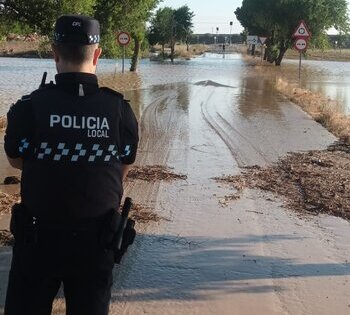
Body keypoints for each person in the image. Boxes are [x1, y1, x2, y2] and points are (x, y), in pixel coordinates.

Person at [4, 15, 139, 315]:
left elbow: (15, 160)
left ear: (55, 53)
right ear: (98, 54)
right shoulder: (120, 109)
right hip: (97, 243)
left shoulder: (28, 108)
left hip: (37, 239)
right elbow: (122, 166)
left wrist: (54, 161)